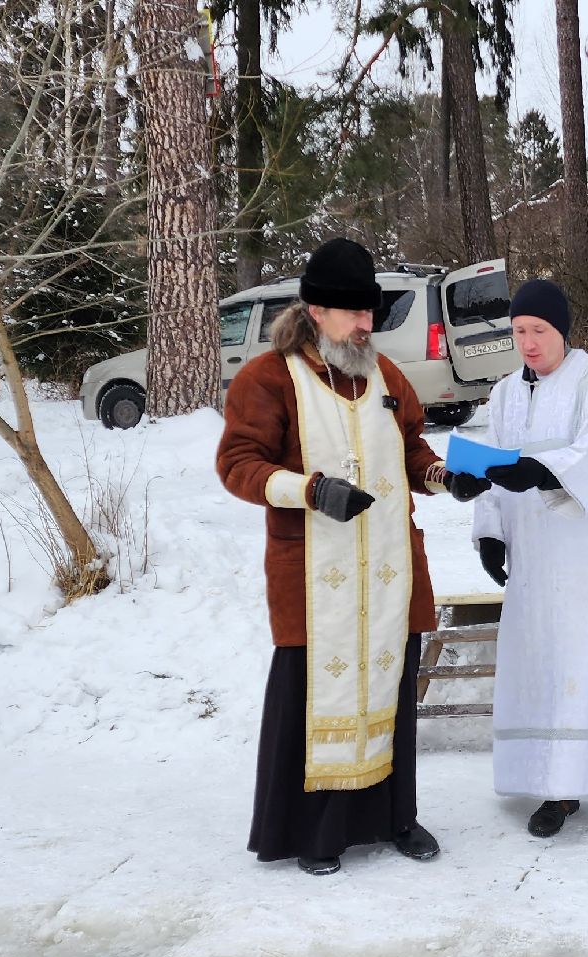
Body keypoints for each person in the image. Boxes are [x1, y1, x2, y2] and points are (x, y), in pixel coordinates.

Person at [216, 237, 462, 876]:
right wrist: (310, 490)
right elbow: (238, 465)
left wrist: (444, 477)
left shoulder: (387, 377)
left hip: (388, 572)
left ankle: (396, 818)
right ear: (315, 311)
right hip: (312, 578)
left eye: (369, 312)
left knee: (391, 695)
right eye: (353, 312)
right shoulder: (268, 378)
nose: (365, 324)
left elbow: (413, 451)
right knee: (311, 699)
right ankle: (314, 831)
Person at [470, 279, 588, 842]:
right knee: (546, 670)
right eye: (519, 331)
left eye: (539, 330)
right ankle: (558, 790)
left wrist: (541, 471)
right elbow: (488, 466)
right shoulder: (504, 394)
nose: (528, 343)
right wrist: (490, 532)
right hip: (533, 560)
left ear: (562, 330)